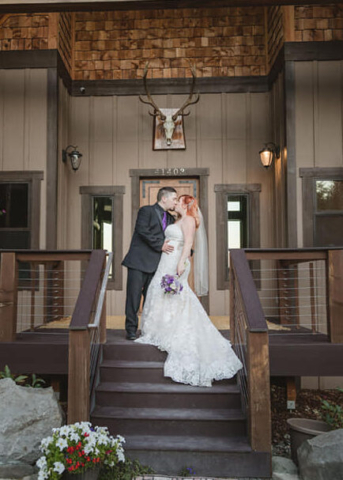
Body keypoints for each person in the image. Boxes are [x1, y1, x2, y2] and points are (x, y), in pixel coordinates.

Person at [136, 195, 242, 387]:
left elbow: (189, 243)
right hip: (165, 260)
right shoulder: (177, 219)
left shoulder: (189, 220)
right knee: (159, 290)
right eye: (174, 200)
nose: (175, 203)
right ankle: (159, 328)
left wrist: (181, 263)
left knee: (176, 293)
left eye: (178, 201)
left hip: (176, 260)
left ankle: (173, 328)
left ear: (185, 204)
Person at [122, 186, 178, 340]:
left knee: (151, 298)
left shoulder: (172, 218)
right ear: (163, 198)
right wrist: (160, 245)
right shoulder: (146, 211)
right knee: (133, 298)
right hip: (138, 261)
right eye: (174, 198)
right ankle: (131, 329)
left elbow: (174, 238)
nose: (175, 202)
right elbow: (142, 230)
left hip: (157, 265)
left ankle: (148, 329)